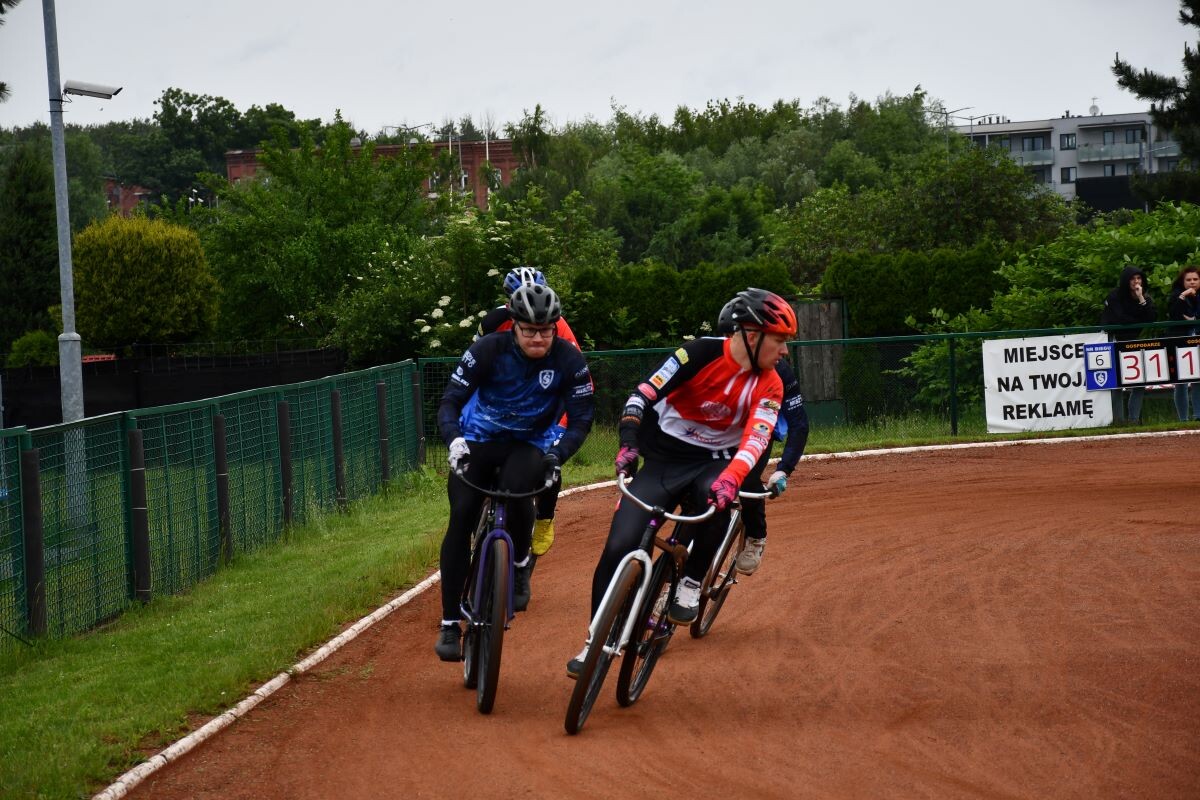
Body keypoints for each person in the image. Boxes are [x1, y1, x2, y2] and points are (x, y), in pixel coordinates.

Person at [568, 288, 798, 677]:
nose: (786, 351)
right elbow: (643, 392)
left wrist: (730, 480)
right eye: (780, 341)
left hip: (714, 463)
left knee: (720, 503)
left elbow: (756, 440)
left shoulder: (771, 383)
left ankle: (691, 582)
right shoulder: (698, 353)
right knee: (619, 545)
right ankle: (594, 641)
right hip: (663, 458)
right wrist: (628, 441)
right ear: (753, 336)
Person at [435, 283, 595, 661]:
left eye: (546, 330)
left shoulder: (570, 361)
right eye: (529, 330)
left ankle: (519, 565)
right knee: (461, 516)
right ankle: (447, 624)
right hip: (479, 437)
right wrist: (454, 440)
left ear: (556, 327)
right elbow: (450, 401)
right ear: (515, 327)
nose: (538, 337)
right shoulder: (488, 349)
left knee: (520, 488)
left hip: (529, 442)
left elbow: (583, 418)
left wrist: (559, 454)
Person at [477, 267, 583, 562]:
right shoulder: (493, 323)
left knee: (549, 462)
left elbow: (575, 380)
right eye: (516, 299)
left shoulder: (557, 325)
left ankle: (544, 518)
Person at [711, 298, 811, 576]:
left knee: (748, 477)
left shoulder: (778, 370)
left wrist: (783, 470)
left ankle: (756, 535)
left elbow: (799, 424)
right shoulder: (710, 358)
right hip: (718, 432)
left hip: (756, 433)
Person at [1100, 265, 1157, 424]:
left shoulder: (1145, 297)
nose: (1136, 282)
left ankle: (1133, 420)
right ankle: (1118, 420)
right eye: (1132, 279)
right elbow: (1120, 319)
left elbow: (1151, 318)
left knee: (1140, 382)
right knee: (1116, 383)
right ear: (1126, 281)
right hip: (1113, 342)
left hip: (1134, 344)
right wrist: (1139, 319)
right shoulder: (1114, 296)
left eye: (1139, 278)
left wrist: (1141, 299)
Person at [1167, 265, 1200, 421]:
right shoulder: (1175, 296)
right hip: (1180, 342)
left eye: (1195, 279)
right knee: (1180, 382)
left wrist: (1193, 319)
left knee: (1198, 380)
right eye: (1188, 280)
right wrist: (1182, 296)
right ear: (1182, 281)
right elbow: (1174, 315)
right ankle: (1183, 420)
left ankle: (1198, 416)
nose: (1192, 282)